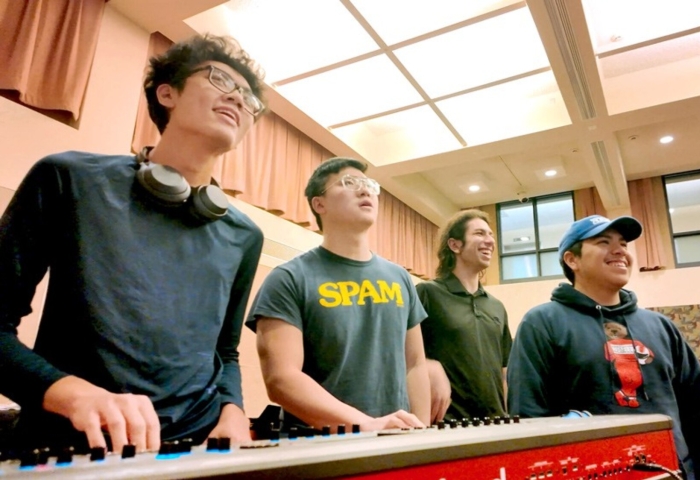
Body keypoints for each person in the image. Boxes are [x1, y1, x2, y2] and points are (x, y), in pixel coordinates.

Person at [0, 34, 265, 454]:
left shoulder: (245, 235)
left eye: (250, 99)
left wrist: (232, 407)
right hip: (74, 446)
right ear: (167, 93)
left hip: (196, 448)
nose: (238, 99)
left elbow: (225, 352)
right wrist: (71, 394)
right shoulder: (68, 179)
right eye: (221, 80)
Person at [507, 215, 700, 479]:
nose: (619, 250)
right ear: (572, 260)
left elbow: (698, 413)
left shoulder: (661, 326)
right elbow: (528, 417)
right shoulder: (541, 323)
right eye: (603, 242)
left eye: (623, 243)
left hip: (674, 472)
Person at [247, 157, 430, 433]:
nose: (365, 190)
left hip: (395, 440)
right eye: (349, 183)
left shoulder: (399, 277)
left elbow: (415, 364)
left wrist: (422, 433)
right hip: (320, 447)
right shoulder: (289, 278)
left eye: (369, 185)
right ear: (319, 204)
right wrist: (366, 425)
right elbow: (282, 379)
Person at [416, 210, 512, 424]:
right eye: (479, 234)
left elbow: (504, 370)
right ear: (455, 245)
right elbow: (401, 352)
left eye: (491, 235)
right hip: (445, 424)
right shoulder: (427, 293)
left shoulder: (497, 306)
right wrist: (428, 363)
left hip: (496, 423)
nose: (489, 241)